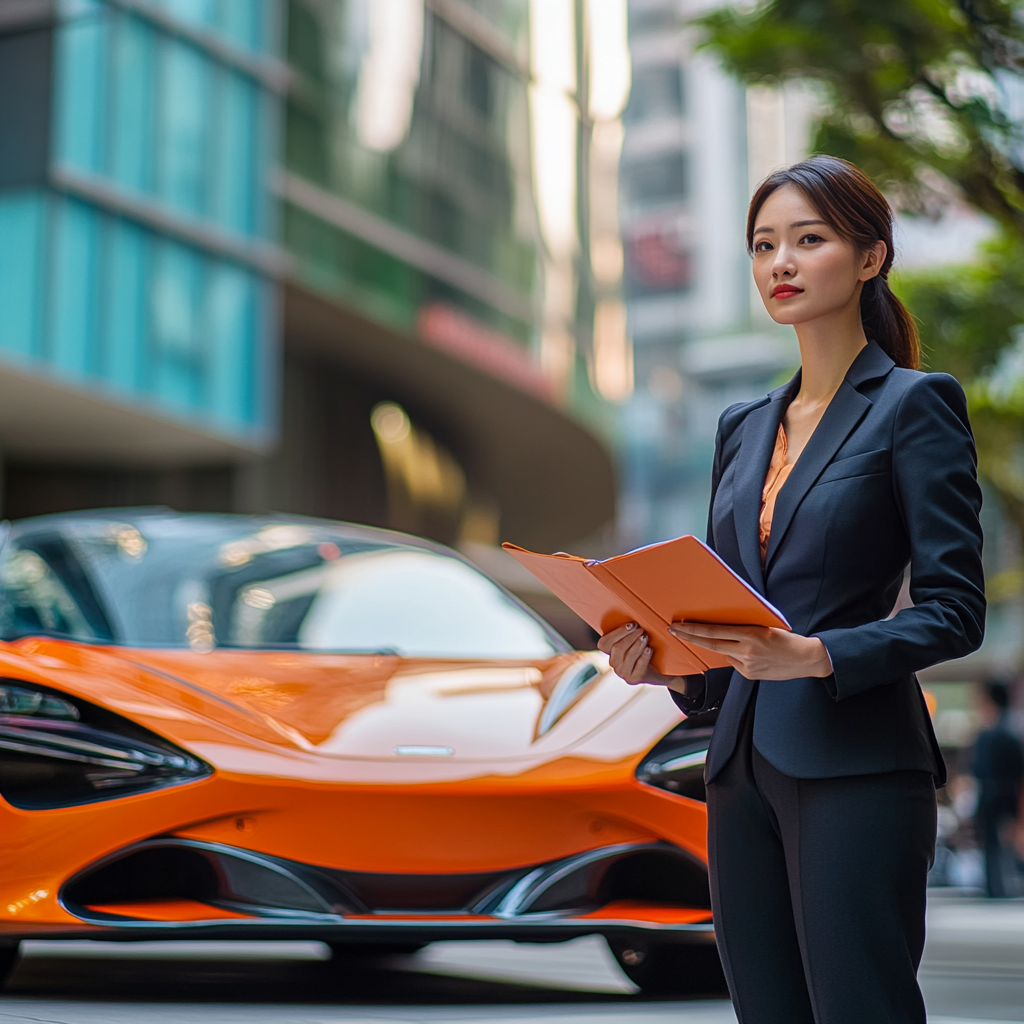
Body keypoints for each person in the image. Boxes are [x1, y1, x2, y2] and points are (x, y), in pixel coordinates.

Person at [599, 155, 985, 1023]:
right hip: (737, 768)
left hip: (857, 762)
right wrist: (660, 661)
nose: (781, 262)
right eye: (764, 244)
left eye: (808, 241)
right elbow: (726, 622)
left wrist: (816, 655)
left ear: (870, 257)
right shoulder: (742, 428)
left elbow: (956, 610)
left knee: (860, 1006)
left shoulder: (914, 406)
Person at [971, 679, 1024, 897]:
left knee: (991, 843)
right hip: (1010, 794)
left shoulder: (987, 734)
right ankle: (1011, 882)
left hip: (991, 794)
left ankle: (995, 887)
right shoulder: (1013, 732)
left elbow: (977, 769)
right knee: (1009, 839)